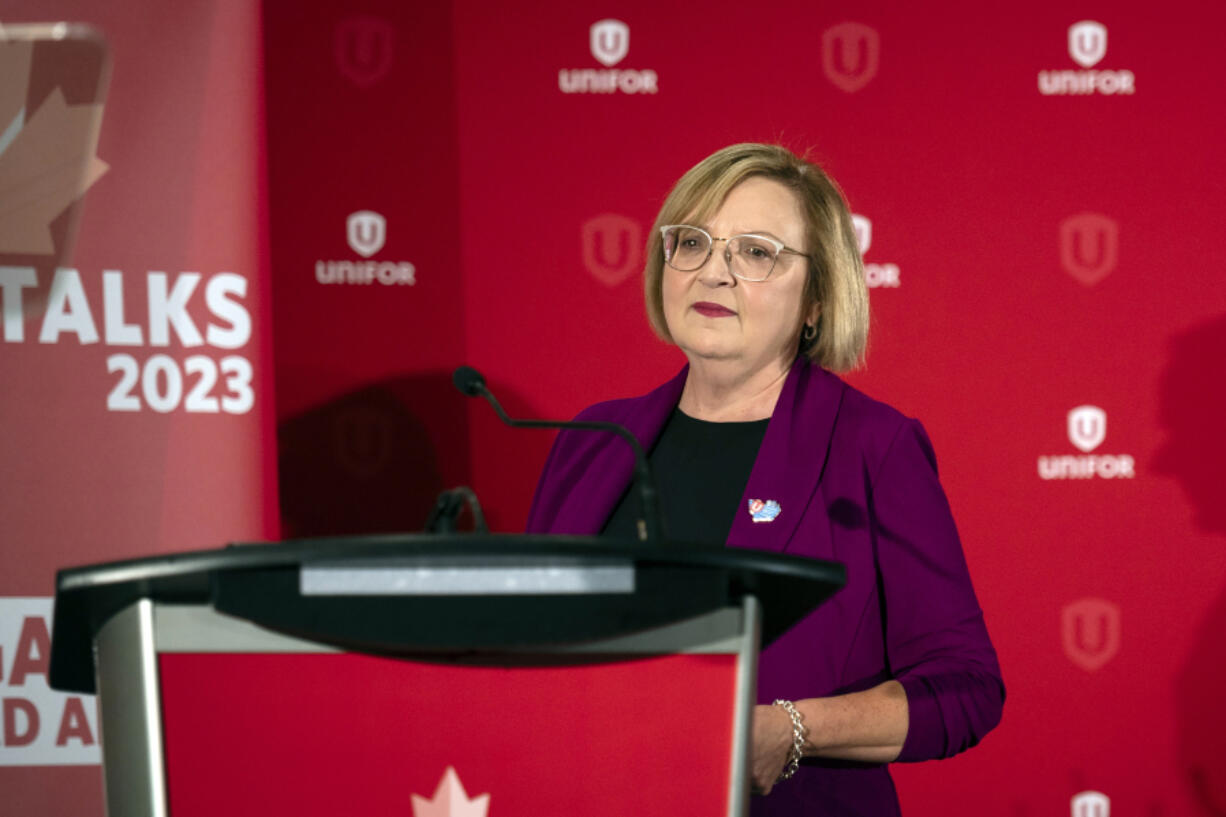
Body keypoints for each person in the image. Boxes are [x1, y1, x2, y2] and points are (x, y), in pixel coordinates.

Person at [526, 143, 1004, 815]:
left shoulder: (873, 446)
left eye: (755, 252)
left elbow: (966, 688)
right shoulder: (592, 442)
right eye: (691, 242)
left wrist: (792, 727)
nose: (712, 273)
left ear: (816, 299)